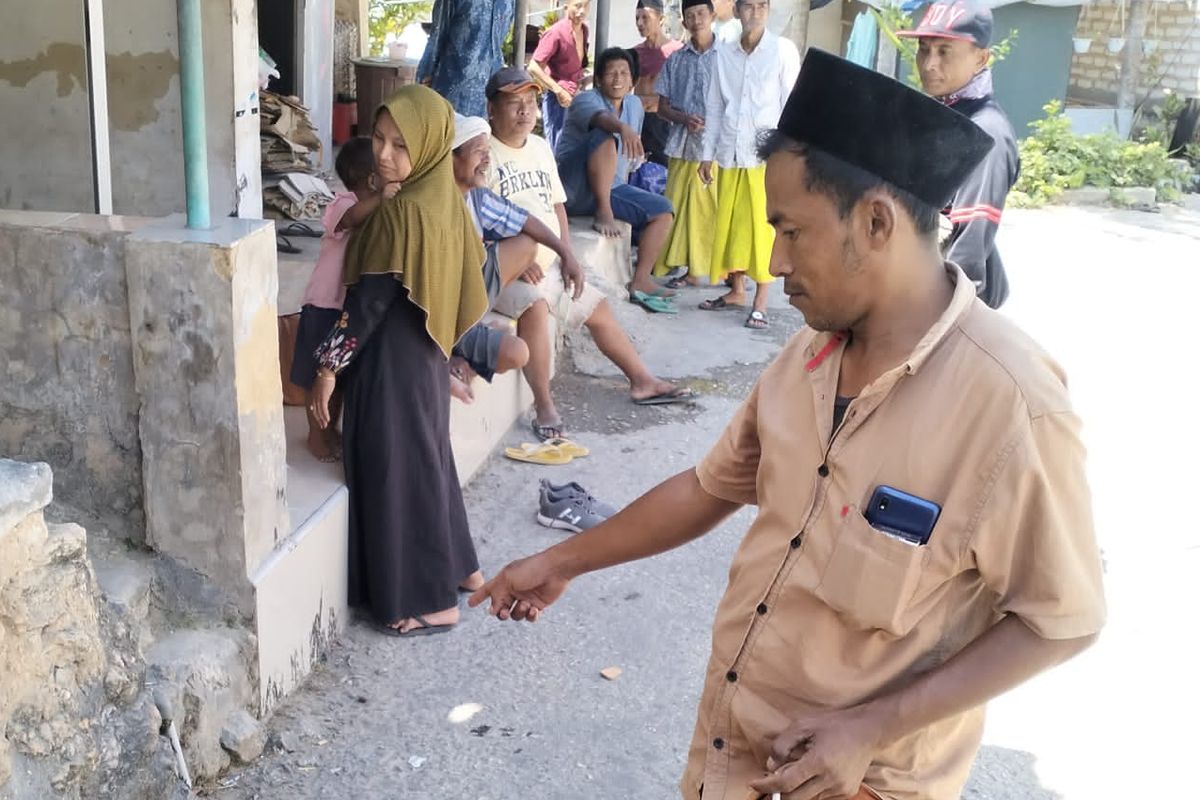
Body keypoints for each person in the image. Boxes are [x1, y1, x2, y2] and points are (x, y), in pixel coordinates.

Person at [471, 50, 1105, 800]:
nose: (773, 262)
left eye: (792, 231)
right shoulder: (808, 355)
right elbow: (710, 489)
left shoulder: (1012, 403)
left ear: (875, 222)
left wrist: (875, 725)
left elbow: (1061, 619)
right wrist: (562, 562)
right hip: (731, 759)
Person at [310, 86, 489, 636]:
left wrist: (325, 370)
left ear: (430, 147)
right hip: (425, 360)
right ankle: (463, 568)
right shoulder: (442, 201)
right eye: (380, 140)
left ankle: (428, 600)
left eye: (400, 145)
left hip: (389, 365)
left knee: (397, 476)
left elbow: (367, 306)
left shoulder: (400, 213)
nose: (385, 155)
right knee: (428, 463)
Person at [485, 67, 694, 441]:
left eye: (530, 103)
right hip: (507, 270)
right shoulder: (483, 154)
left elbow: (558, 206)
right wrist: (515, 263)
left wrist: (568, 255)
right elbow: (475, 221)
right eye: (513, 104)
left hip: (548, 259)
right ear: (491, 110)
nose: (524, 112)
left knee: (597, 307)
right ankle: (544, 405)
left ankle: (642, 381)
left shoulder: (539, 147)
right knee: (536, 307)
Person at [449, 113, 586, 402]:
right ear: (451, 158)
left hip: (465, 310)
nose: (487, 160)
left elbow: (525, 221)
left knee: (518, 351)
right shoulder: (436, 204)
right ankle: (453, 352)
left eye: (488, 152)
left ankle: (464, 353)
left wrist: (566, 252)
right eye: (478, 152)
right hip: (440, 316)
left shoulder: (477, 197)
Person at [898, 0, 1018, 309]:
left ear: (981, 59)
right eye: (924, 49)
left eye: (944, 51)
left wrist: (936, 325)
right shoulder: (942, 111)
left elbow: (968, 251)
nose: (929, 64)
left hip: (946, 305)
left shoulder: (985, 131)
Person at [698, 0, 799, 329]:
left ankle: (761, 300)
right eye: (748, 6)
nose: (754, 13)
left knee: (761, 228)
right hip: (730, 150)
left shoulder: (782, 51)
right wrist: (706, 154)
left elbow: (790, 107)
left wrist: (790, 157)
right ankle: (737, 290)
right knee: (729, 224)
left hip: (765, 157)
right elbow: (714, 106)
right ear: (738, 11)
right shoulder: (723, 54)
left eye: (761, 6)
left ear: (768, 10)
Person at [289, 137, 390, 462]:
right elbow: (350, 219)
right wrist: (381, 198)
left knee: (340, 378)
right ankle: (315, 435)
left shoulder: (377, 211)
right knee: (312, 375)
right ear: (372, 179)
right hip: (323, 305)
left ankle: (330, 428)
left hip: (348, 309)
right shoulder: (341, 202)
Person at [555, 47, 676, 312]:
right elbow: (603, 120)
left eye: (624, 73)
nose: (618, 78)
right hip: (574, 187)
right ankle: (604, 211)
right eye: (611, 73)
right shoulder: (586, 100)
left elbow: (627, 162)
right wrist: (622, 128)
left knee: (663, 211)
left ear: (633, 80)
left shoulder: (634, 106)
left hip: (612, 184)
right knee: (605, 135)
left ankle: (641, 280)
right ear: (598, 79)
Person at [652, 0, 719, 288]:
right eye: (690, 16)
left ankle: (709, 268)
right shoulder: (676, 59)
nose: (696, 20)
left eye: (701, 14)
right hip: (682, 142)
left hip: (716, 147)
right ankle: (676, 263)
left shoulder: (727, 57)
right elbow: (661, 107)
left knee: (709, 209)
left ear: (712, 16)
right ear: (683, 22)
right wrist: (682, 118)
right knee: (675, 206)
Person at [417, 0, 516, 117]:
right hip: (452, 87)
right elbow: (438, 34)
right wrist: (425, 76)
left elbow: (501, 38)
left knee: (482, 132)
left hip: (490, 91)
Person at [528, 0, 591, 152]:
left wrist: (587, 79)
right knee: (557, 150)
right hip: (558, 101)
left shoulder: (584, 30)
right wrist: (558, 90)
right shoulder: (555, 32)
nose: (581, 11)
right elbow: (533, 66)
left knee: (574, 150)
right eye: (577, 5)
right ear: (566, 7)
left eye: (586, 6)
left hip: (576, 98)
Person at [631, 0, 684, 168]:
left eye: (645, 17)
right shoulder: (634, 53)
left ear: (661, 19)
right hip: (639, 123)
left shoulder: (677, 51)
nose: (640, 23)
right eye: (637, 18)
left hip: (665, 124)